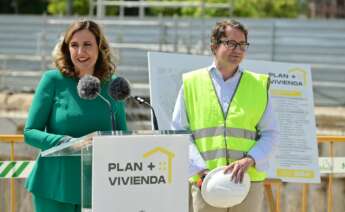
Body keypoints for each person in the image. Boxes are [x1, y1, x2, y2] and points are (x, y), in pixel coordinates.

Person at [172, 19, 279, 212]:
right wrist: (200, 169)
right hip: (206, 180)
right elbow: (179, 132)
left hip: (248, 182)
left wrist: (251, 159)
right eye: (230, 43)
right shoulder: (191, 83)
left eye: (242, 45)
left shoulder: (258, 85)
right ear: (214, 46)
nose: (237, 50)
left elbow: (271, 133)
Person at [24, 20, 127, 212]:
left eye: (87, 44)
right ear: (66, 49)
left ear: (100, 47)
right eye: (74, 45)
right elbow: (30, 132)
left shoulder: (114, 85)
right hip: (54, 187)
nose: (80, 52)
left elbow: (123, 136)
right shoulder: (52, 80)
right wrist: (69, 143)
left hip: (100, 188)